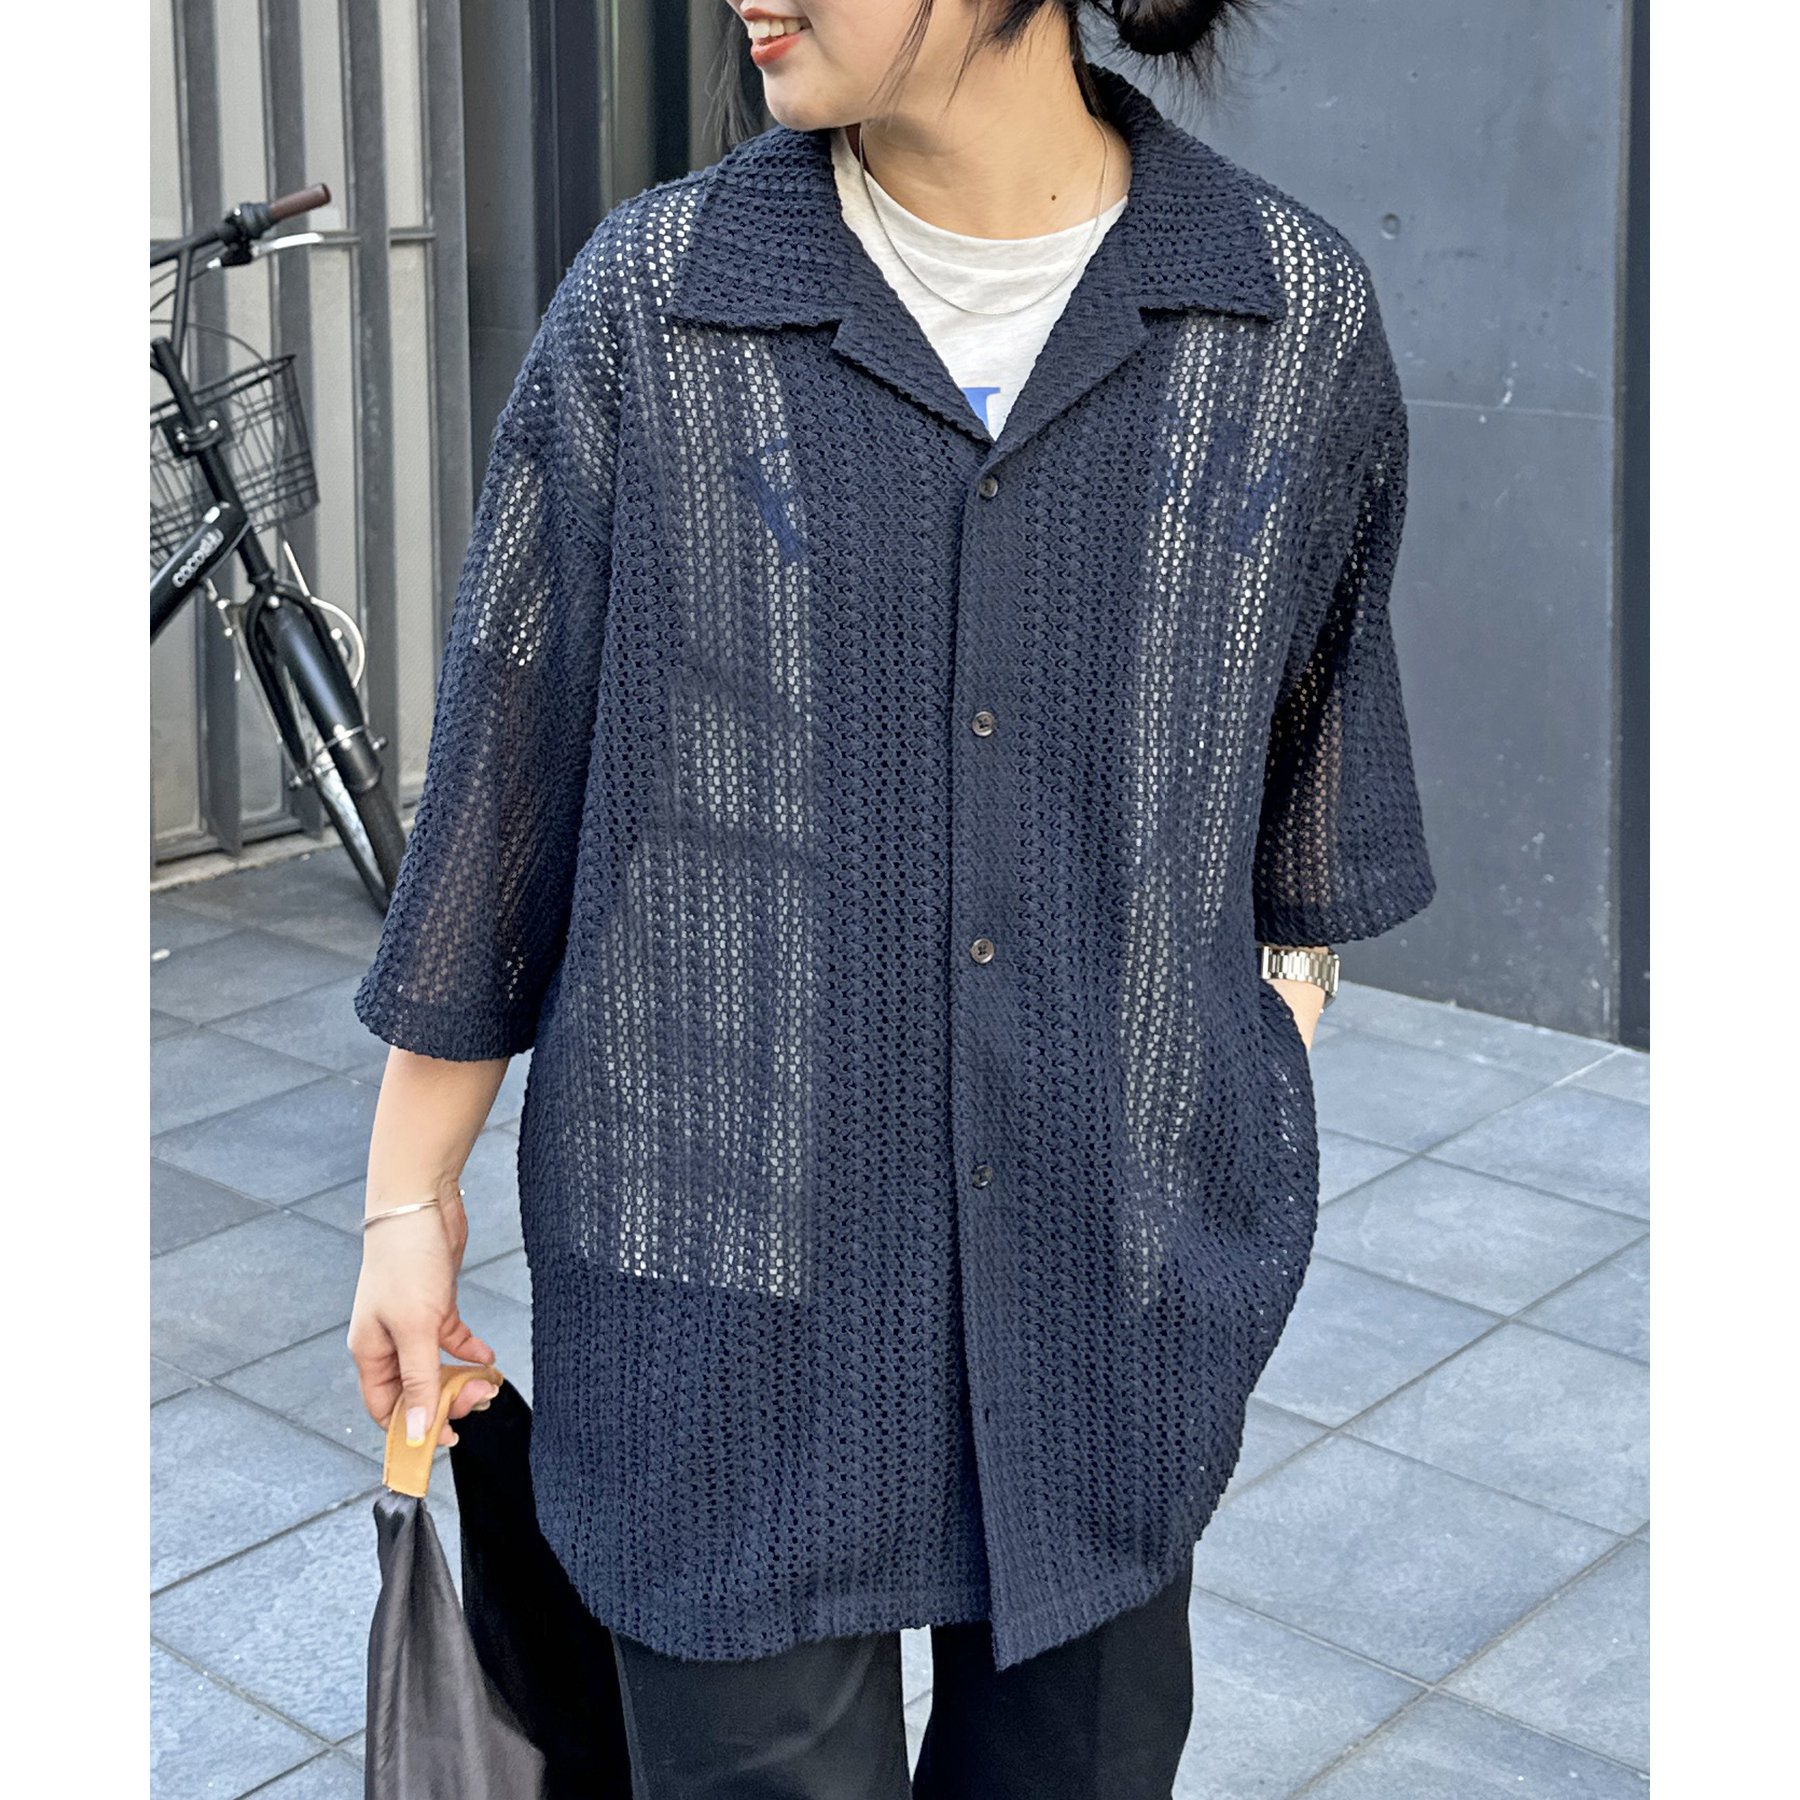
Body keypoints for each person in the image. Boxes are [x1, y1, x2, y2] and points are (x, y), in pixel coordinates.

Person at [347, 1, 1437, 1793]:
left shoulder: (1280, 319)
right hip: (726, 1296)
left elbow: (1302, 768)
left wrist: (1243, 1030)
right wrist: (409, 1203)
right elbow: (503, 795)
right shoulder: (660, 309)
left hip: (1102, 1302)